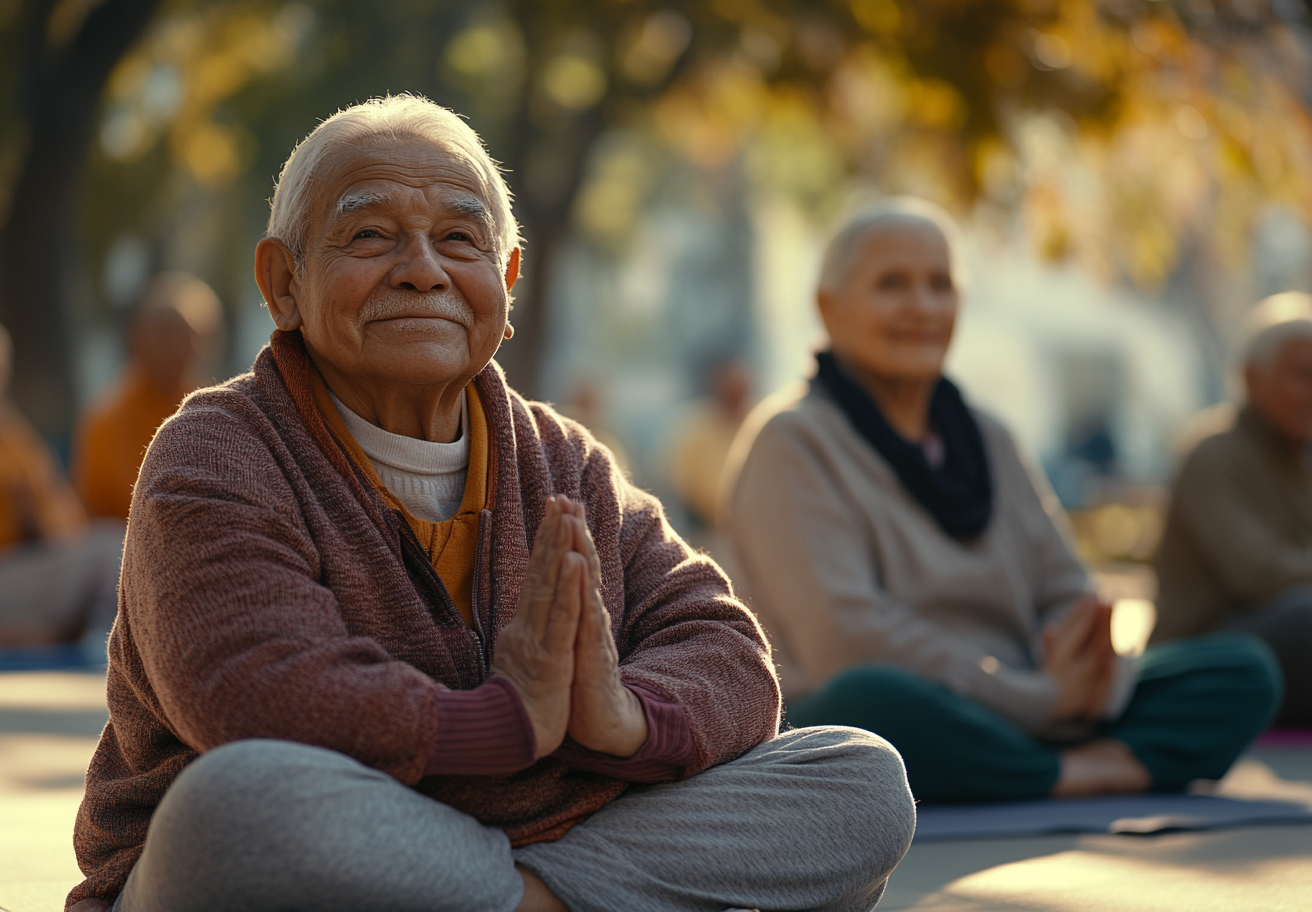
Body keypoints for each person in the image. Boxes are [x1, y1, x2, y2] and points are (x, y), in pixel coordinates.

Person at [67, 96, 915, 912]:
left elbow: (725, 648)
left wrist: (621, 720)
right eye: (371, 235)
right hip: (327, 835)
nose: (423, 271)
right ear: (283, 281)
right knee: (234, 805)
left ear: (505, 280)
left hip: (539, 840)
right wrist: (503, 725)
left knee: (857, 780)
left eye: (459, 240)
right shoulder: (217, 449)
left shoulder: (563, 459)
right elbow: (251, 693)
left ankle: (519, 899)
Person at [722, 198, 1282, 805]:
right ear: (829, 309)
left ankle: (1038, 767)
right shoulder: (792, 439)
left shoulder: (988, 434)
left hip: (1031, 699)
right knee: (865, 705)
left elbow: (1069, 589)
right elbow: (847, 639)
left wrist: (1094, 676)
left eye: (940, 285)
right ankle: (1076, 770)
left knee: (1241, 672)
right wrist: (1037, 701)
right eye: (892, 285)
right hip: (914, 707)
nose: (922, 307)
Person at [1153, 292, 1312, 727]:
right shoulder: (1211, 455)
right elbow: (1258, 574)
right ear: (1252, 378)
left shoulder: (1298, 458)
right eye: (1302, 375)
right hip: (1203, 648)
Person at [0, 325, 122, 655]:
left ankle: (66, 637)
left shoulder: (13, 436)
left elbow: (65, 530)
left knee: (113, 548)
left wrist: (34, 518)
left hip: (23, 574)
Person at [72, 273, 222, 521]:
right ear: (139, 341)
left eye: (188, 335)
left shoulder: (211, 409)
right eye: (167, 335)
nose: (180, 347)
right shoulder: (106, 419)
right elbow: (107, 507)